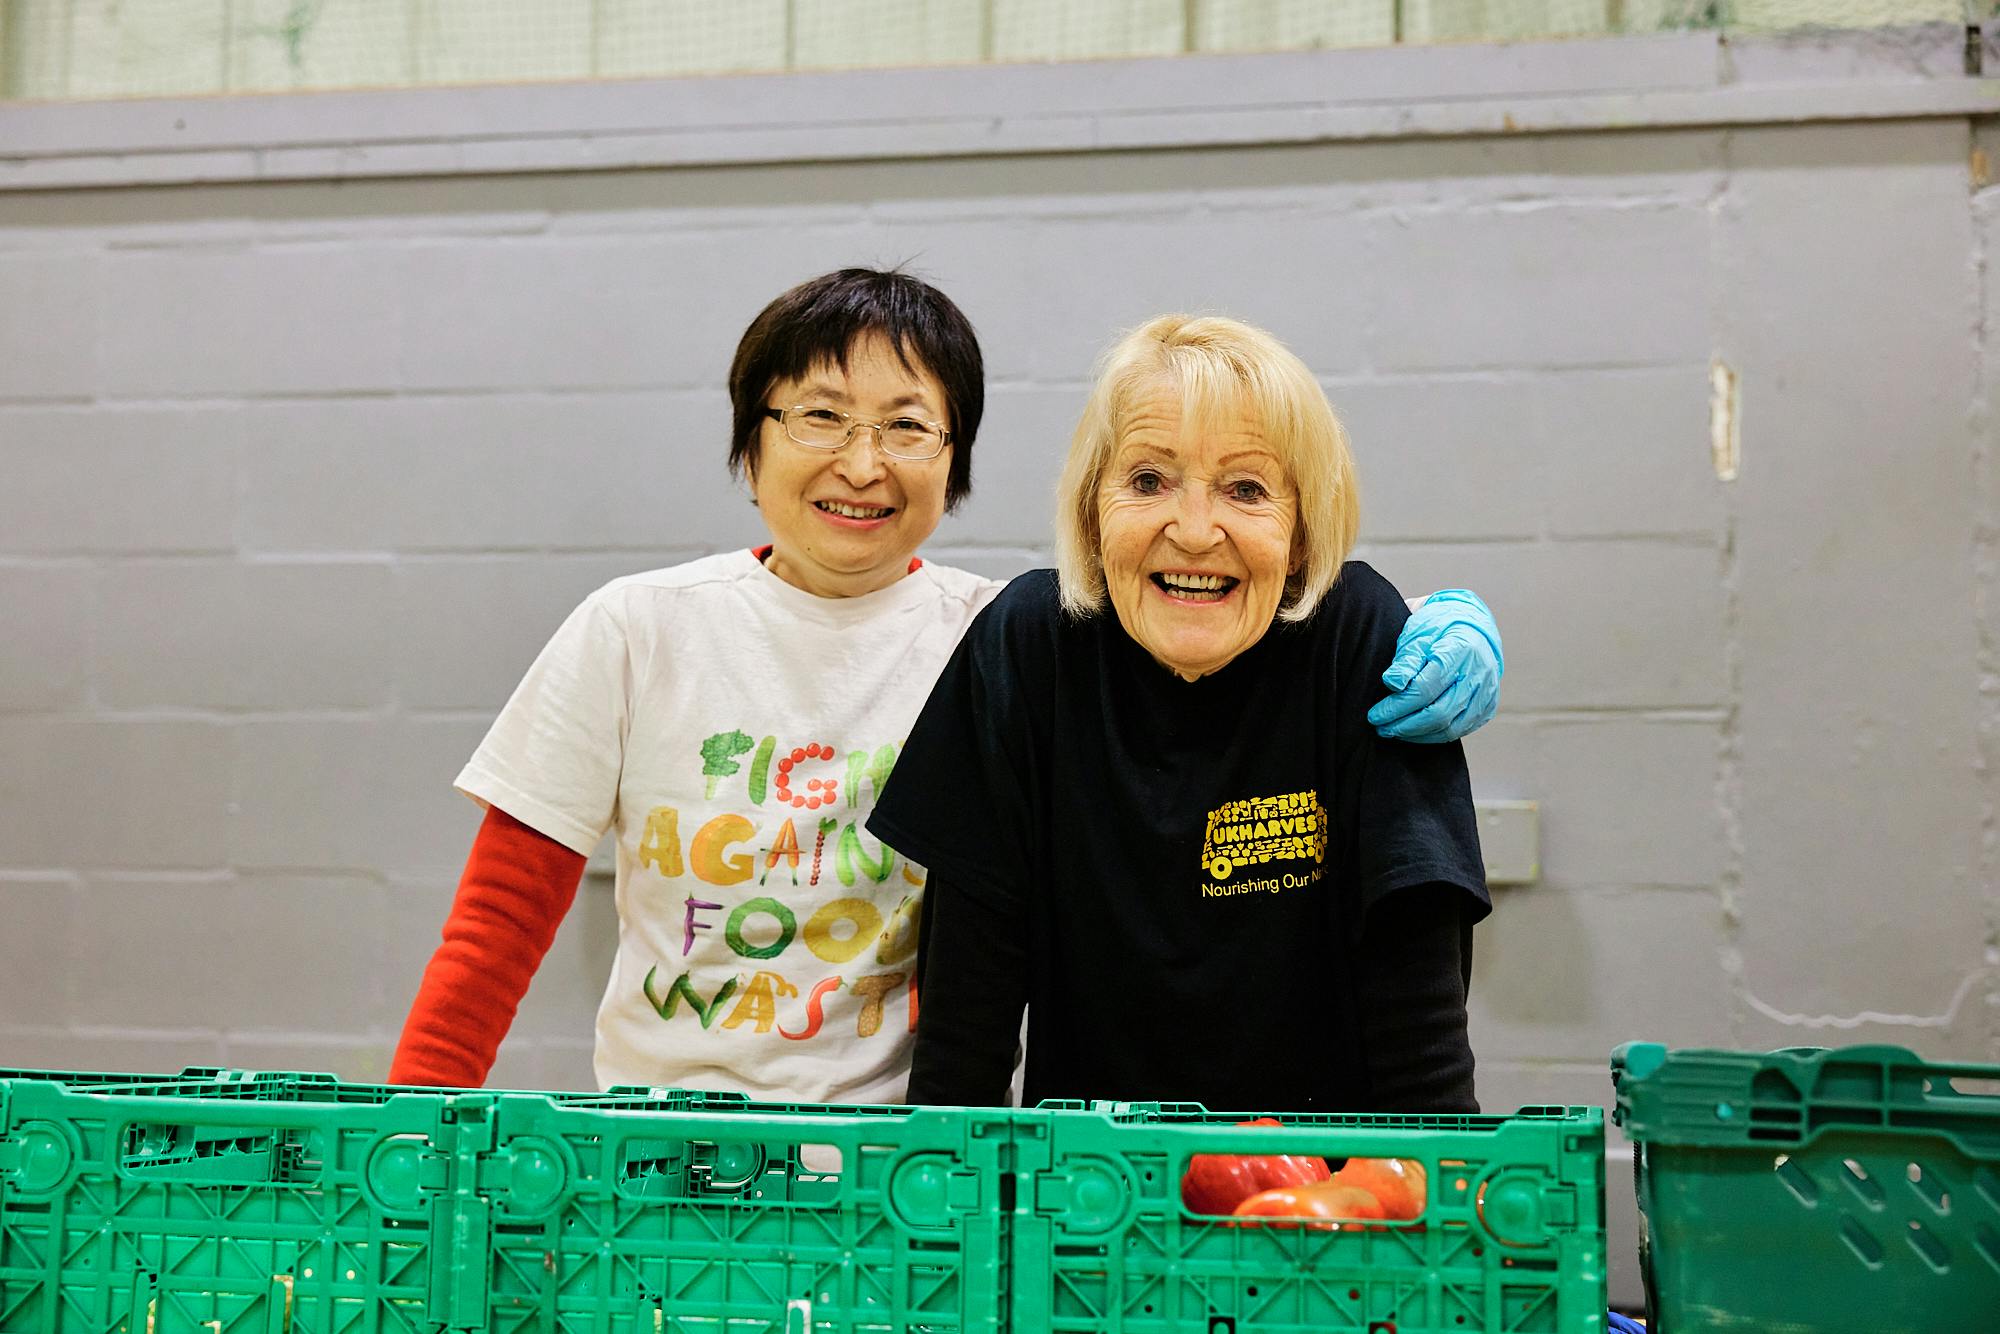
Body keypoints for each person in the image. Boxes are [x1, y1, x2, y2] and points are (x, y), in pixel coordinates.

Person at [389, 271, 1503, 1101]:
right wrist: (409, 1140)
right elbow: (497, 924)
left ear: (955, 460)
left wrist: (1423, 619)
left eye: (907, 427)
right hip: (677, 1161)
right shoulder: (643, 629)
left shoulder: (995, 635)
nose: (861, 462)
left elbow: (1231, 606)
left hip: (897, 1171)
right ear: (749, 441)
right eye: (820, 416)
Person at [870, 313, 1489, 1114]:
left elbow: (1422, 1038)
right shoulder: (1027, 647)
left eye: (1246, 489)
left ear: (1302, 534)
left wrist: (1432, 1190)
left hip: (1328, 1180)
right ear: (1092, 514)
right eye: (1148, 480)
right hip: (1090, 1180)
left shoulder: (1363, 645)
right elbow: (964, 1033)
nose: (1195, 532)